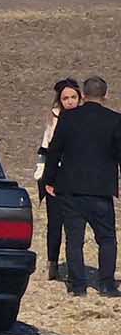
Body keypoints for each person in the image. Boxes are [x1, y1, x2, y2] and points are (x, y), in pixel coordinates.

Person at [41, 75, 121, 297]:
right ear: (105, 95)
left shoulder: (69, 118)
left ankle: (78, 286)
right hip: (101, 189)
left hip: (70, 188)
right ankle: (106, 284)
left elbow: (54, 150)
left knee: (74, 238)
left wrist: (49, 180)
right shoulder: (115, 120)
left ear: (83, 96)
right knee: (106, 238)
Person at [35, 79, 81, 280]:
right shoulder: (54, 119)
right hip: (55, 175)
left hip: (78, 176)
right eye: (65, 98)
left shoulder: (85, 118)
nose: (69, 101)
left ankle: (74, 266)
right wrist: (45, 178)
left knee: (74, 224)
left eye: (73, 97)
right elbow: (46, 149)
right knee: (55, 222)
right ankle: (52, 262)